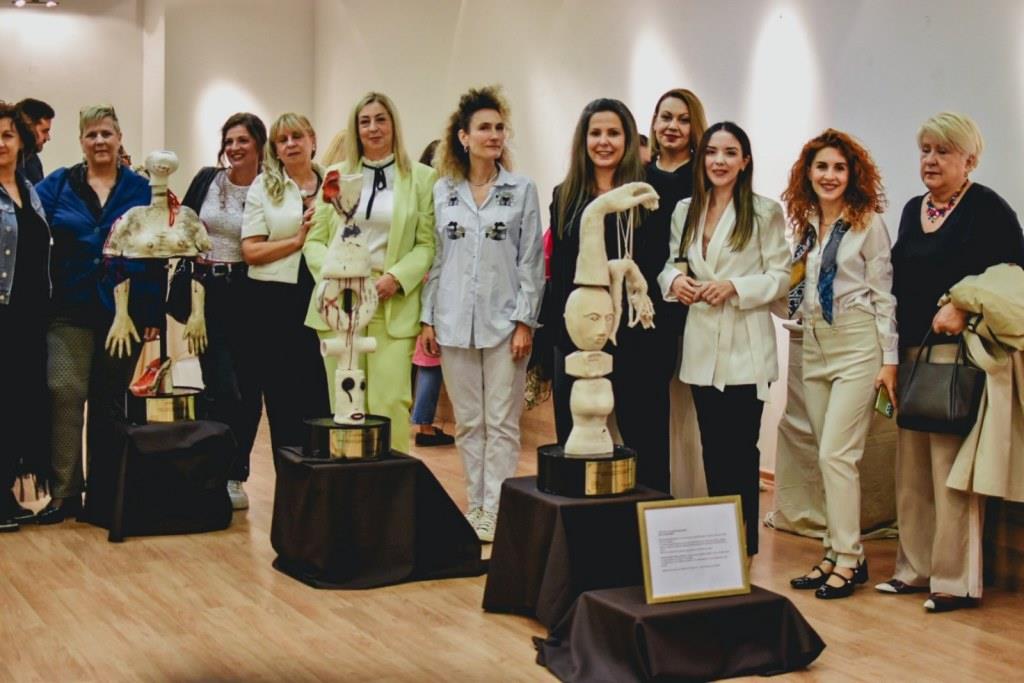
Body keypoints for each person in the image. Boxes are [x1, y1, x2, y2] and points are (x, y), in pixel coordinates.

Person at [879, 112, 1024, 612]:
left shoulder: (988, 208)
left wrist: (963, 305)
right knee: (911, 471)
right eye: (925, 150)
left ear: (970, 159)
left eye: (943, 151)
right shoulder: (912, 210)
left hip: (959, 357)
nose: (931, 160)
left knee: (949, 471)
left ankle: (954, 580)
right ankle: (913, 569)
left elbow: (1012, 276)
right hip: (913, 353)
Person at [657, 121, 790, 557]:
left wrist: (735, 286)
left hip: (746, 347)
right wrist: (676, 282)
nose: (719, 161)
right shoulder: (685, 209)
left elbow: (780, 276)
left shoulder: (764, 212)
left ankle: (744, 545)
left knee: (741, 449)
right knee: (711, 448)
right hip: (701, 344)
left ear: (744, 161)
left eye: (730, 153)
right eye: (712, 152)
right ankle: (720, 548)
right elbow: (671, 264)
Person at [421, 87, 544, 541]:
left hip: (505, 324)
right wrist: (428, 319)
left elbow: (531, 261)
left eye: (499, 128)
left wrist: (524, 321)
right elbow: (437, 258)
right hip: (453, 322)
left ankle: (498, 507)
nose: (494, 135)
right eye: (484, 128)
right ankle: (477, 504)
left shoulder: (522, 190)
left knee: (503, 423)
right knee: (469, 422)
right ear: (463, 137)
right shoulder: (443, 192)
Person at [781, 129, 895, 599]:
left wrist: (889, 360)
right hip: (813, 343)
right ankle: (834, 551)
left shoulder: (868, 224)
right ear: (808, 173)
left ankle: (849, 558)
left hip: (857, 344)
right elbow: (795, 288)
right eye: (822, 166)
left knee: (837, 454)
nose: (830, 175)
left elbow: (884, 296)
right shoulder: (805, 225)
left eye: (839, 168)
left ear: (853, 175)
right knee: (823, 455)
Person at [547, 98, 677, 492]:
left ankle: (646, 523)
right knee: (577, 444)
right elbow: (562, 272)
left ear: (628, 139)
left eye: (614, 133)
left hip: (639, 338)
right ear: (583, 140)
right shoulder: (565, 195)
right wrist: (562, 336)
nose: (604, 141)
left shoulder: (651, 192)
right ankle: (580, 525)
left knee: (647, 444)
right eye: (596, 133)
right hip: (578, 337)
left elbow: (658, 262)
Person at [34, 105, 156, 524]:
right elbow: (30, 226)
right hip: (68, 309)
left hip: (124, 314)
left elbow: (155, 252)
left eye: (106, 133)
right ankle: (65, 493)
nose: (100, 141)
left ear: (119, 138)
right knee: (64, 392)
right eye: (92, 135)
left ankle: (106, 494)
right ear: (81, 142)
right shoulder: (57, 185)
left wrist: (151, 312)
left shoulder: (142, 189)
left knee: (109, 401)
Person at [304, 92, 436, 454]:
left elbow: (426, 244)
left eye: (381, 120)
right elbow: (314, 242)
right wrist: (334, 277)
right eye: (365, 122)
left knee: (390, 401)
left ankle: (391, 483)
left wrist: (396, 278)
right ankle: (347, 480)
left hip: (390, 301)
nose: (373, 128)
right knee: (344, 404)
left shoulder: (422, 178)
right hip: (339, 302)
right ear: (356, 129)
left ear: (394, 125)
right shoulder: (335, 176)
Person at [182, 112, 267, 509]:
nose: (234, 148)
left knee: (248, 389)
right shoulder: (207, 180)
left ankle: (236, 474)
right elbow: (182, 225)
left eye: (242, 140)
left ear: (259, 145)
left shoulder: (270, 187)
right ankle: (211, 468)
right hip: (207, 292)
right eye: (229, 141)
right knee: (219, 386)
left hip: (251, 292)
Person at [241, 112, 329, 451]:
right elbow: (251, 250)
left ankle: (324, 475)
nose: (291, 144)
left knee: (322, 396)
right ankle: (290, 478)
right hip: (273, 301)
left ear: (312, 140)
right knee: (283, 398)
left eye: (297, 136)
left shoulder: (334, 181)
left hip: (324, 296)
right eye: (283, 140)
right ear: (275, 150)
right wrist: (297, 241)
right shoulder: (263, 187)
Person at [645, 88, 709, 497]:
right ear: (653, 123)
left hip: (692, 307)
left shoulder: (703, 178)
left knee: (689, 417)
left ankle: (690, 501)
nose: (673, 126)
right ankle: (652, 501)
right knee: (650, 414)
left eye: (683, 120)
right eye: (666, 117)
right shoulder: (638, 175)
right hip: (645, 309)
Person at [0, 102, 50, 531]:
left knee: (18, 404)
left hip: (30, 314)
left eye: (6, 136)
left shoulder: (28, 188)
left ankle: (6, 494)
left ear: (20, 141)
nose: (0, 144)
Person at [411, 138, 453, 447]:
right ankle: (424, 425)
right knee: (429, 359)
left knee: (427, 359)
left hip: (426, 284)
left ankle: (423, 421)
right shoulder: (433, 200)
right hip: (429, 285)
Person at [16, 98, 54, 185]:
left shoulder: (33, 160)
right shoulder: (8, 161)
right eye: (44, 131)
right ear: (28, 127)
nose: (48, 138)